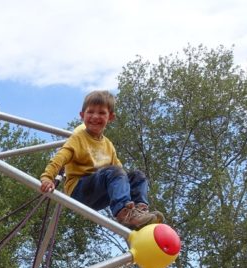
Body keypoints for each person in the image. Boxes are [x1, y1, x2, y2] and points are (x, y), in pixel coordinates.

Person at [39, 90, 164, 229]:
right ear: (82, 115)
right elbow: (60, 157)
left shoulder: (108, 145)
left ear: (111, 117)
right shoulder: (78, 138)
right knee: (114, 172)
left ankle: (139, 211)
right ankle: (124, 213)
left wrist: (129, 186)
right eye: (90, 112)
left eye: (101, 113)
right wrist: (47, 177)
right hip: (79, 191)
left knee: (137, 175)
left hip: (100, 195)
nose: (95, 116)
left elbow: (121, 174)